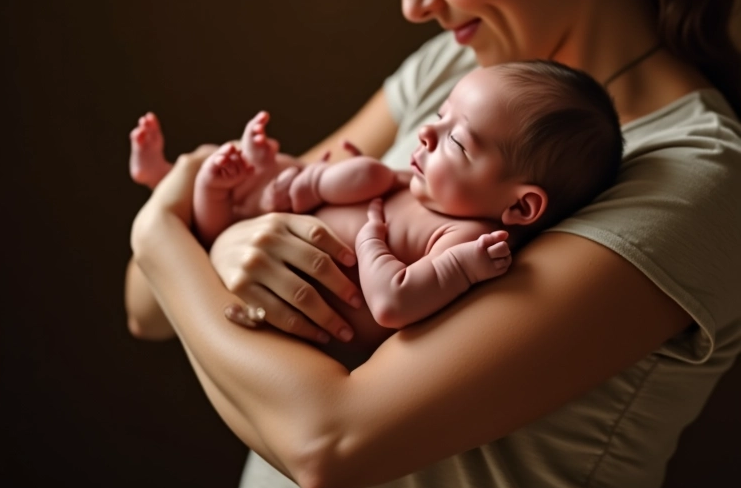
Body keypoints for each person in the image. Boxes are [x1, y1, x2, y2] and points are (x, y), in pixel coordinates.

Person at [124, 0, 741, 488]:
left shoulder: (690, 177)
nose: (412, 3)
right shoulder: (454, 75)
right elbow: (145, 307)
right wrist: (237, 247)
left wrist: (163, 232)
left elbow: (325, 442)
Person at [129, 61, 623, 335]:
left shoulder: (466, 236)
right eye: (440, 113)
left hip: (277, 302)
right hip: (265, 231)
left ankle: (181, 189)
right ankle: (173, 178)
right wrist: (317, 178)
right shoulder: (422, 185)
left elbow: (391, 301)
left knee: (214, 219)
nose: (426, 132)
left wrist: (372, 240)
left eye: (456, 141)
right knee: (234, 171)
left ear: (519, 207)